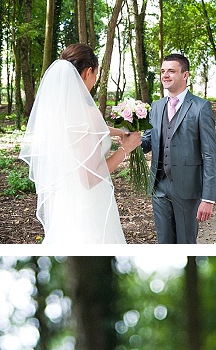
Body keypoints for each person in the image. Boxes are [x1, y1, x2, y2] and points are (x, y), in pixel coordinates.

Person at [19, 43, 142, 245]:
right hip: (90, 207)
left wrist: (118, 131)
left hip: (66, 204)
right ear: (87, 72)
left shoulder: (57, 112)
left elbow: (86, 131)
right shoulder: (88, 112)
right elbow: (89, 178)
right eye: (95, 74)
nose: (95, 80)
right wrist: (125, 150)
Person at [140, 54, 216, 244]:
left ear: (185, 75)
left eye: (171, 71)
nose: (165, 75)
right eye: (163, 71)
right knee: (164, 242)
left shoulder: (201, 107)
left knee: (186, 243)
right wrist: (129, 137)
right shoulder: (156, 107)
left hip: (187, 187)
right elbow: (147, 143)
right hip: (158, 186)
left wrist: (208, 198)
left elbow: (209, 154)